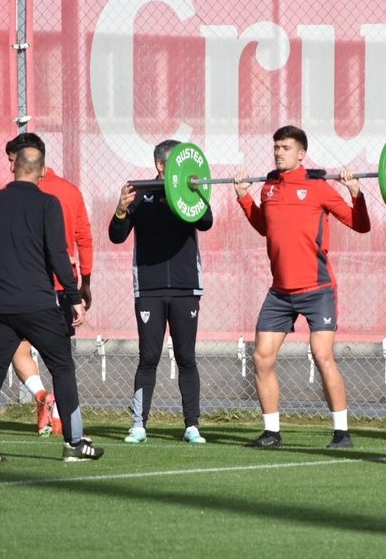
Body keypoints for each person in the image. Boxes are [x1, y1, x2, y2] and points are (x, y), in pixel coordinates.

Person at [0, 144, 103, 463]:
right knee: (63, 368)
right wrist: (74, 295)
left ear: (14, 167)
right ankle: (75, 443)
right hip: (39, 305)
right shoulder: (47, 203)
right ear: (41, 171)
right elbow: (57, 254)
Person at [233, 125, 370, 449]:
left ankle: (341, 432)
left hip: (317, 288)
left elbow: (360, 225)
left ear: (301, 154)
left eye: (285, 147)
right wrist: (244, 198)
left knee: (322, 355)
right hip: (280, 290)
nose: (279, 152)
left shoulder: (318, 187)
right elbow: (265, 227)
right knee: (262, 358)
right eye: (276, 147)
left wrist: (356, 192)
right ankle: (271, 432)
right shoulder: (268, 187)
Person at [110, 140, 213, 445]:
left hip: (185, 287)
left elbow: (206, 222)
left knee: (186, 357)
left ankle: (192, 425)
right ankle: (139, 425)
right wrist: (120, 209)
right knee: (149, 357)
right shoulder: (140, 194)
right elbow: (116, 236)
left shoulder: (189, 193)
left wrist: (189, 196)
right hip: (150, 289)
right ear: (160, 166)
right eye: (176, 163)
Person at [4, 133, 93, 437]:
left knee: (17, 346)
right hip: (63, 284)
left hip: (30, 285)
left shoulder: (22, 194)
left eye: (13, 161)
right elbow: (83, 237)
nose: (10, 167)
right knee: (60, 357)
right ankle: (61, 417)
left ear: (26, 159)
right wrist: (85, 282)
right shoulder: (70, 191)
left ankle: (43, 397)